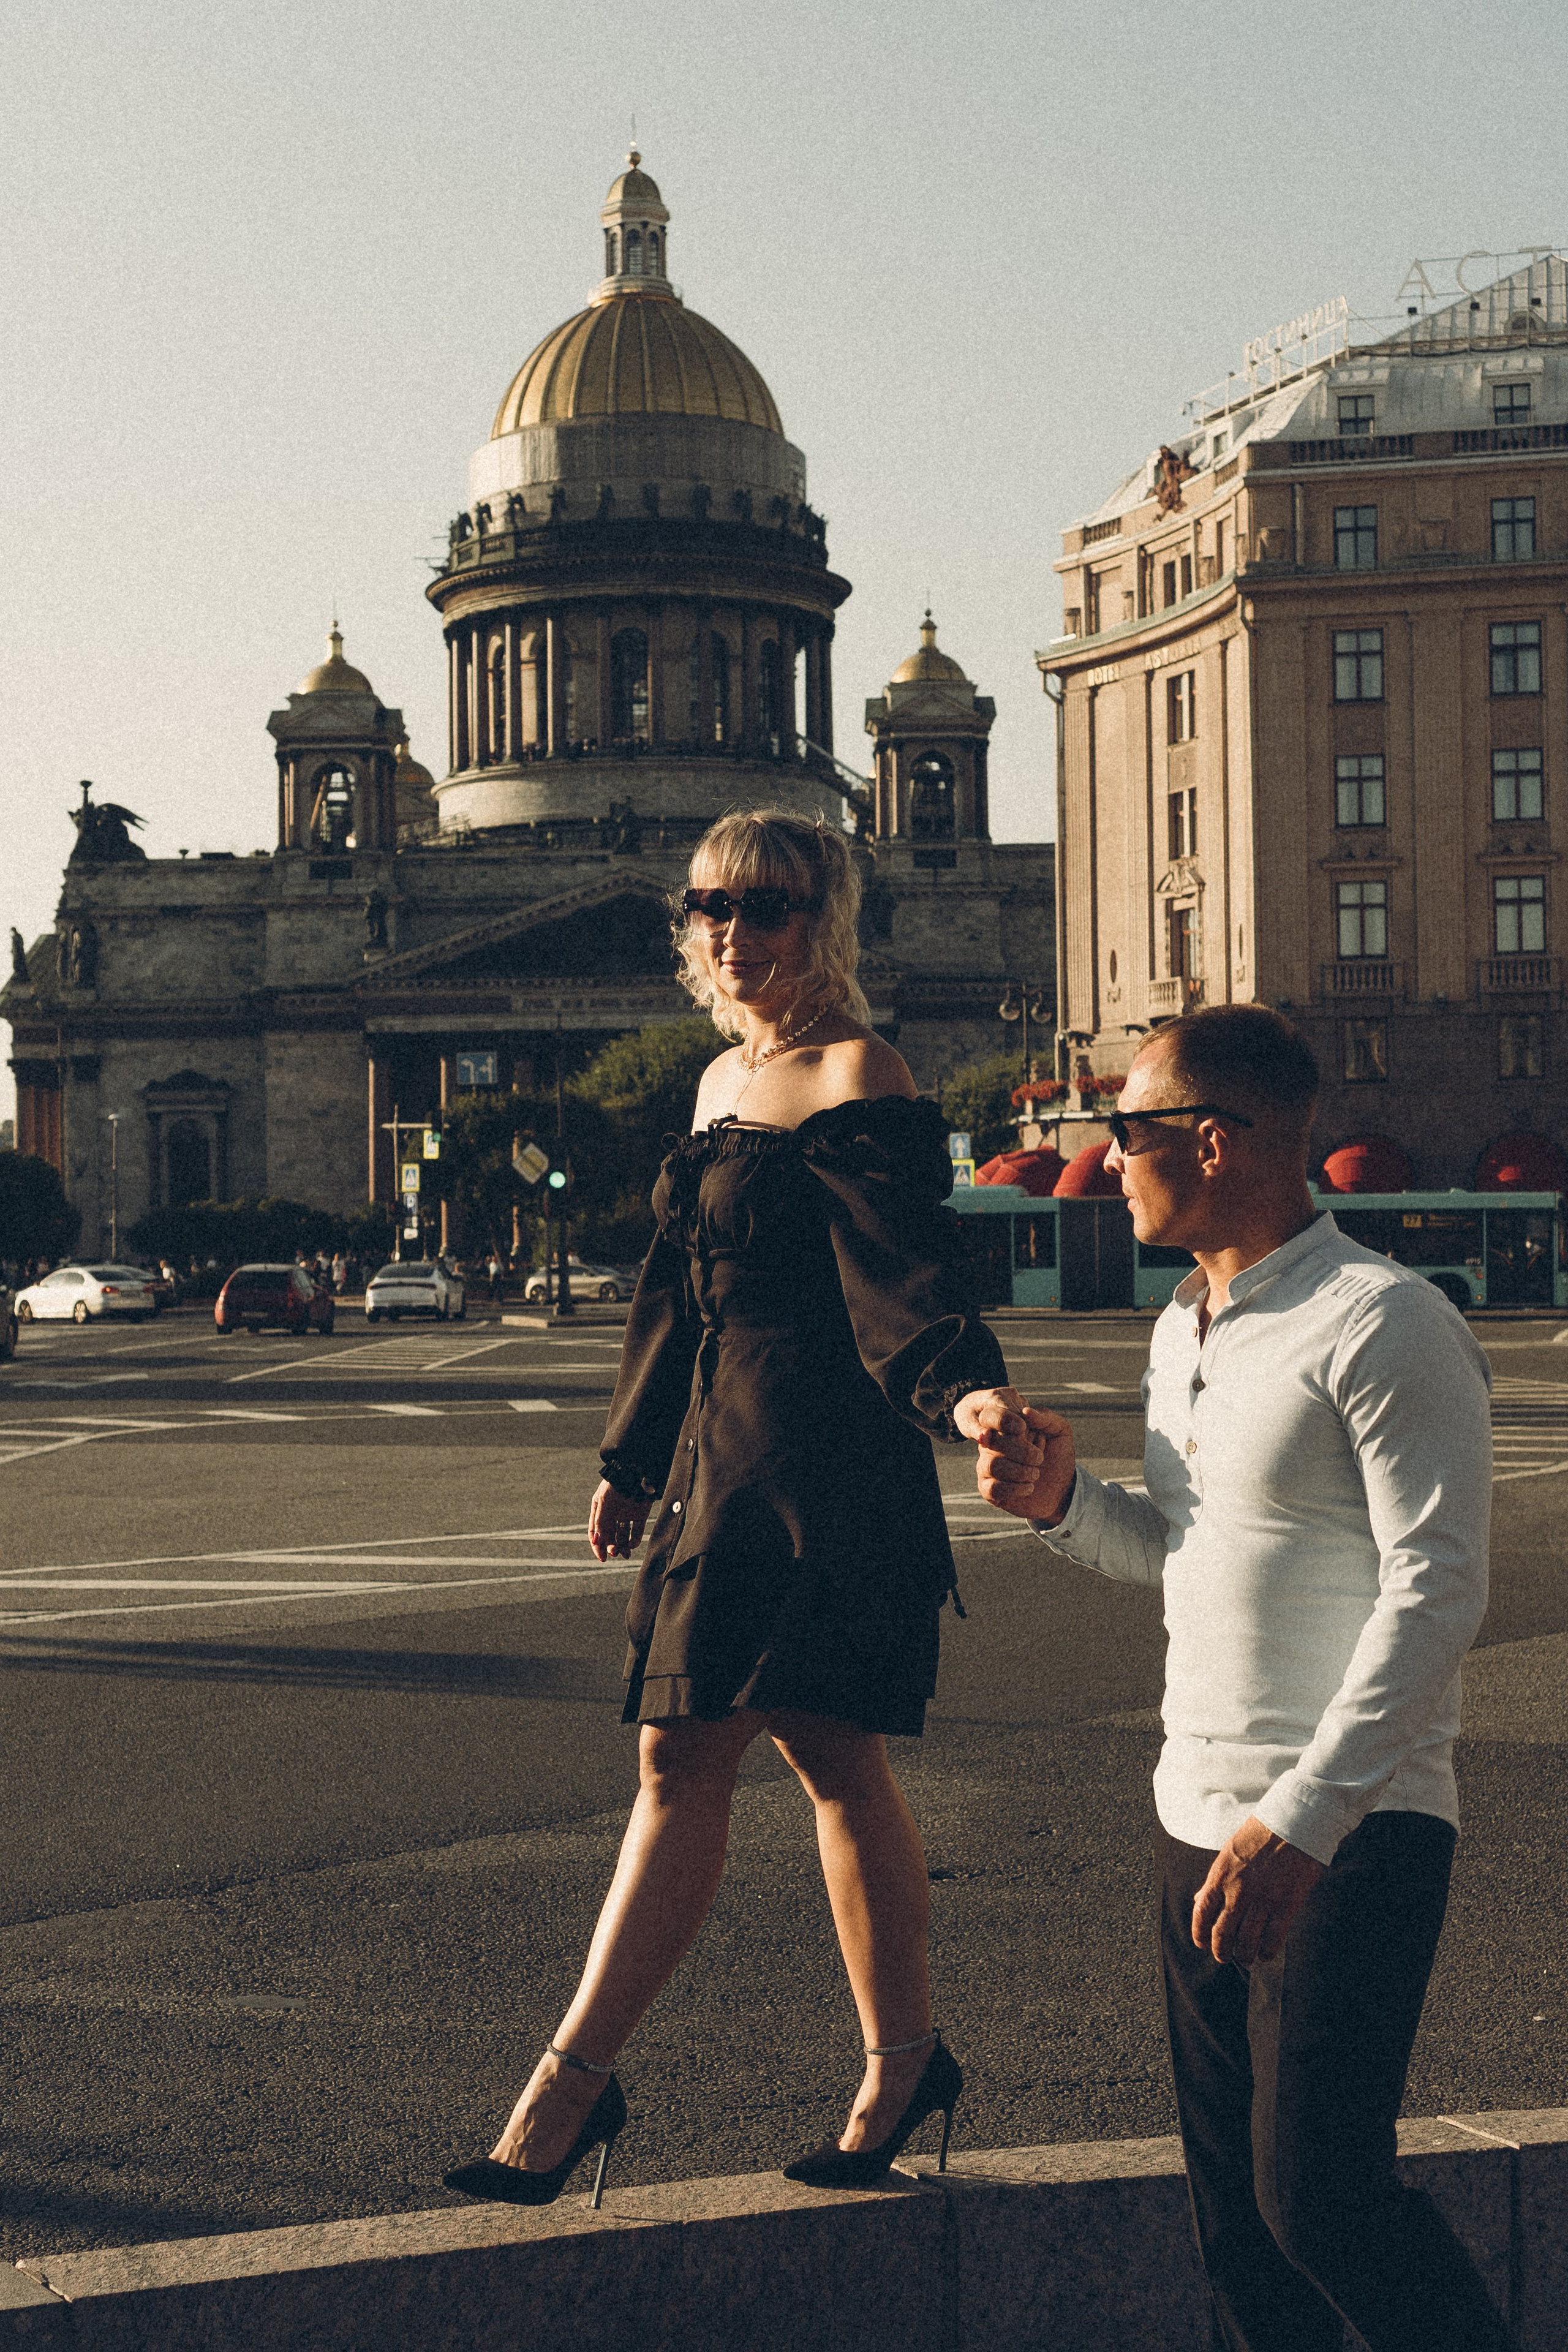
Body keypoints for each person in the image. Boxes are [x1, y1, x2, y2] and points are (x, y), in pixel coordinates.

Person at [443, 809, 1008, 2210]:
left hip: (828, 1465)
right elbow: (675, 1295)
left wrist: (965, 1396)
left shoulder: (853, 1071)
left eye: (767, 907)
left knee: (737, 1762)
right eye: (710, 908)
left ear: (825, 921)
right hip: (723, 1463)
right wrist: (631, 1460)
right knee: (777, 1764)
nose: (734, 933)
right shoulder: (713, 1082)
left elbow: (904, 1270)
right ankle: (900, 2063)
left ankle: (572, 2089)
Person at [963, 1006, 1513, 2352]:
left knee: (1317, 2201)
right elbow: (1179, 1552)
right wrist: (1057, 1505)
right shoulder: (1184, 1328)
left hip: (1351, 1829)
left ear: (1209, 1142)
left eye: (1124, 1132)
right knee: (1238, 2238)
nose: (1110, 1157)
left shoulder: (1380, 1321)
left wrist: (1305, 1818)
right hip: (1191, 1815)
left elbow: (1435, 1589)